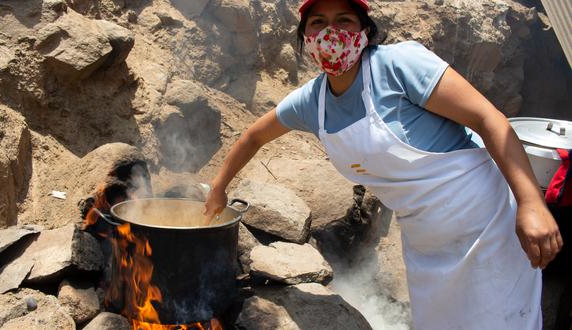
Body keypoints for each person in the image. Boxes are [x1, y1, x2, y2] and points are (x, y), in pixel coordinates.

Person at [204, 0, 563, 328]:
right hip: (426, 245)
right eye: (318, 22)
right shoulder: (312, 102)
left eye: (344, 20)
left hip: (487, 227)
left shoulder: (398, 65)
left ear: (364, 31)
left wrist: (531, 203)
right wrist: (218, 188)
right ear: (305, 37)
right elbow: (253, 137)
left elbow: (489, 119)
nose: (331, 32)